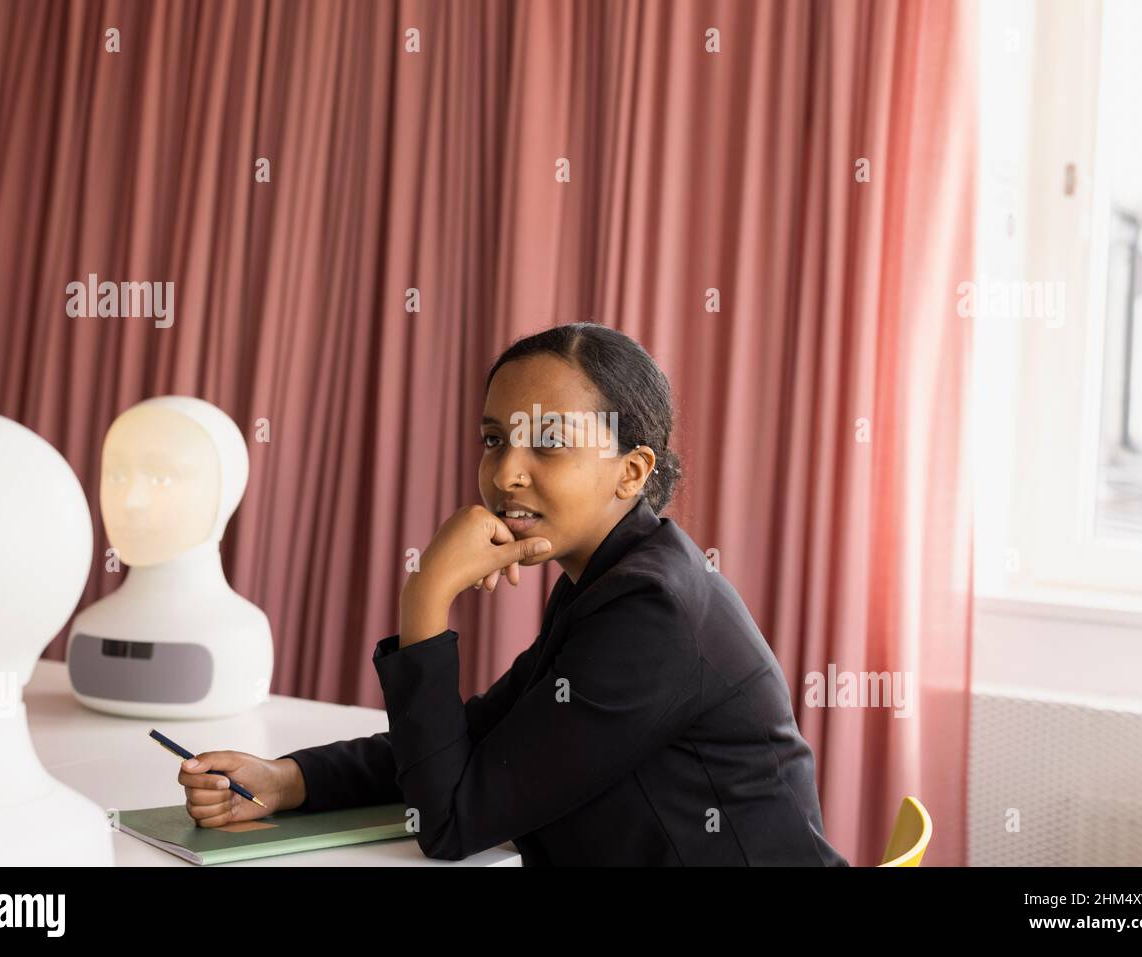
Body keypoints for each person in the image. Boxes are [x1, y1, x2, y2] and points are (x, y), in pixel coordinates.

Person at [177, 322, 848, 866]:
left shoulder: (653, 610)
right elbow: (478, 739)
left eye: (548, 442)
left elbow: (449, 821)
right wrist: (289, 780)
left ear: (631, 471)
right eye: (494, 438)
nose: (506, 471)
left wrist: (427, 596)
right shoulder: (615, 578)